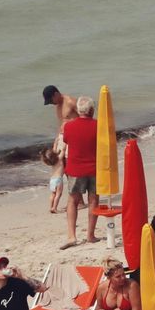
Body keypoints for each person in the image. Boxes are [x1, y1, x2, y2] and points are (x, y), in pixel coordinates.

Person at [60, 95, 101, 249]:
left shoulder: (69, 127)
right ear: (91, 110)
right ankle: (90, 235)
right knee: (93, 201)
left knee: (73, 201)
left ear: (78, 109)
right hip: (94, 168)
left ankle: (71, 235)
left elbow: (67, 142)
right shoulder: (99, 125)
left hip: (75, 169)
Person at [43, 84, 80, 213]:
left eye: (51, 100)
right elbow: (62, 124)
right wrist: (56, 140)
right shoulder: (58, 107)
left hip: (74, 137)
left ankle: (79, 201)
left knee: (71, 167)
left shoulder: (70, 101)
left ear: (56, 94)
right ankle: (78, 199)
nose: (51, 104)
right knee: (63, 167)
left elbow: (84, 117)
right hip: (63, 138)